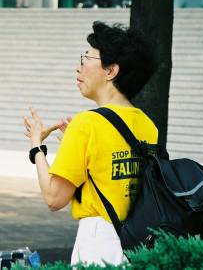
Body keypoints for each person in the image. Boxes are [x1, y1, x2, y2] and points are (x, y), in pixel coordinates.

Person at [23, 21, 157, 266]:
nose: (79, 67)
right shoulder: (148, 125)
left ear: (111, 71)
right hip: (139, 244)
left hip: (99, 243)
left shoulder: (86, 124)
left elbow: (54, 198)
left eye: (87, 58)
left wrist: (36, 147)